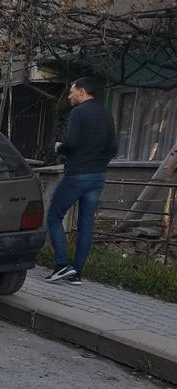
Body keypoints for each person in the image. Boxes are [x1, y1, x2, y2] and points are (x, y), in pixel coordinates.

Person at [46, 77, 117, 285]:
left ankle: (62, 265)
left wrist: (60, 147)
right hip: (98, 175)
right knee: (86, 224)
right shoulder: (107, 115)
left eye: (72, 91)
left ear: (82, 92)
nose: (69, 96)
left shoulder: (78, 112)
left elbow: (72, 143)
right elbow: (113, 148)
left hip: (78, 174)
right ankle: (76, 273)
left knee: (54, 216)